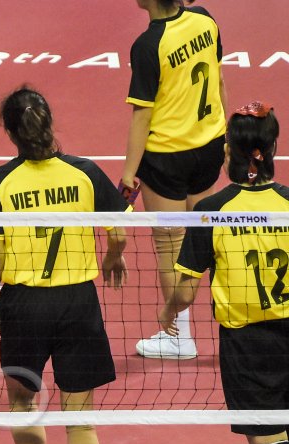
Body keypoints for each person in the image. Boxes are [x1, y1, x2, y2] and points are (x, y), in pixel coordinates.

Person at [0, 86, 129, 444]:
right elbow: (120, 230)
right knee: (79, 416)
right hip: (77, 303)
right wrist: (113, 257)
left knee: (22, 403)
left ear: (11, 131)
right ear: (49, 123)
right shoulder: (84, 173)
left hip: (23, 306)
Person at [157, 102, 289, 444]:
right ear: (273, 149)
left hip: (248, 348)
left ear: (230, 151)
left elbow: (187, 291)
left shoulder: (210, 212)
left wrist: (169, 312)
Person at [122, 0, 227, 360]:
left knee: (171, 243)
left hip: (167, 157)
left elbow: (142, 116)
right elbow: (218, 78)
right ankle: (231, 318)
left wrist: (127, 175)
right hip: (209, 145)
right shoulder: (203, 19)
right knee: (201, 238)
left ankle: (177, 337)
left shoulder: (148, 45)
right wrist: (223, 136)